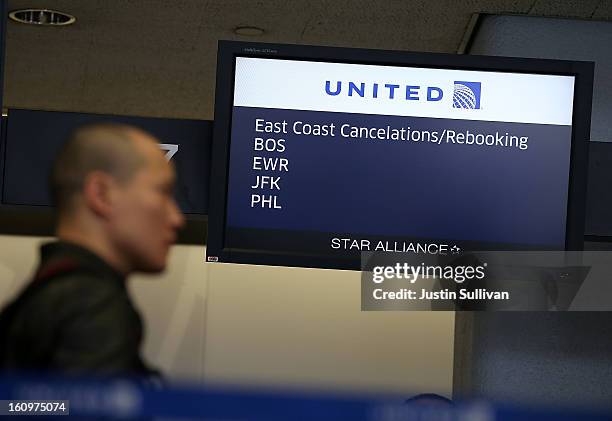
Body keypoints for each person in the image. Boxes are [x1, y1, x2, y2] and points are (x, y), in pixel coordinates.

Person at [0, 123, 185, 377]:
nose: (177, 218)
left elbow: (36, 408)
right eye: (163, 192)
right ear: (101, 194)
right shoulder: (93, 306)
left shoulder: (39, 300)